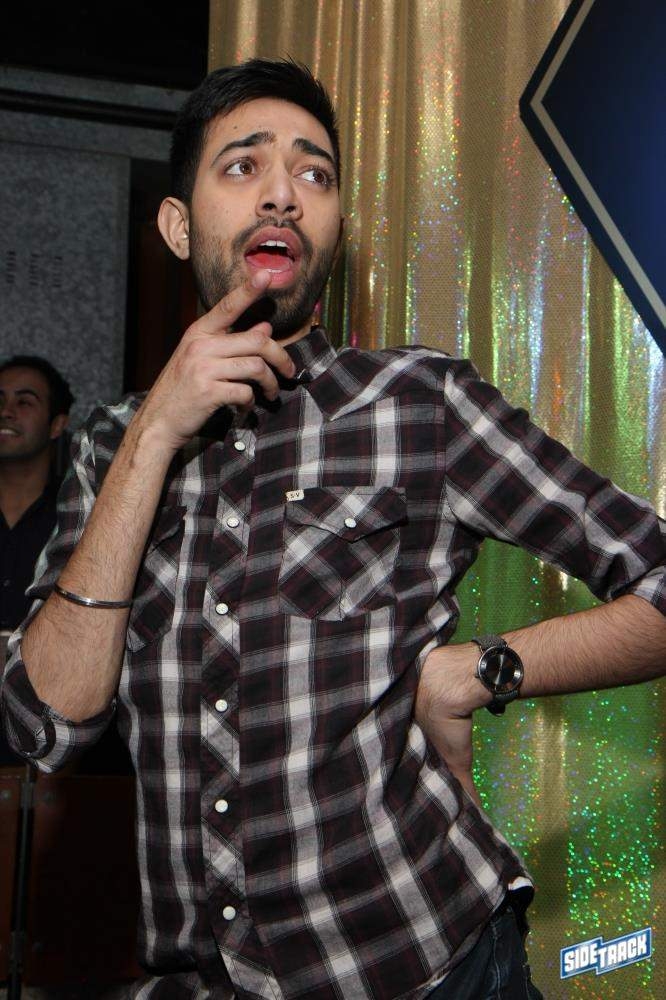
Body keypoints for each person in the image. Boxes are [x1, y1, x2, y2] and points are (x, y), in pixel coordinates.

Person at [1, 59, 664, 999]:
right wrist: (154, 436)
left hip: (433, 970)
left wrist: (479, 669)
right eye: (243, 166)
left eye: (314, 173)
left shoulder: (417, 403)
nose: (283, 193)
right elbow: (45, 724)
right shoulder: (109, 445)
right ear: (178, 225)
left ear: (336, 229)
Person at [0, 355, 72, 764]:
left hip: (47, 744)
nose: (6, 411)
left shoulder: (79, 517)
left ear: (57, 425)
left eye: (24, 401)